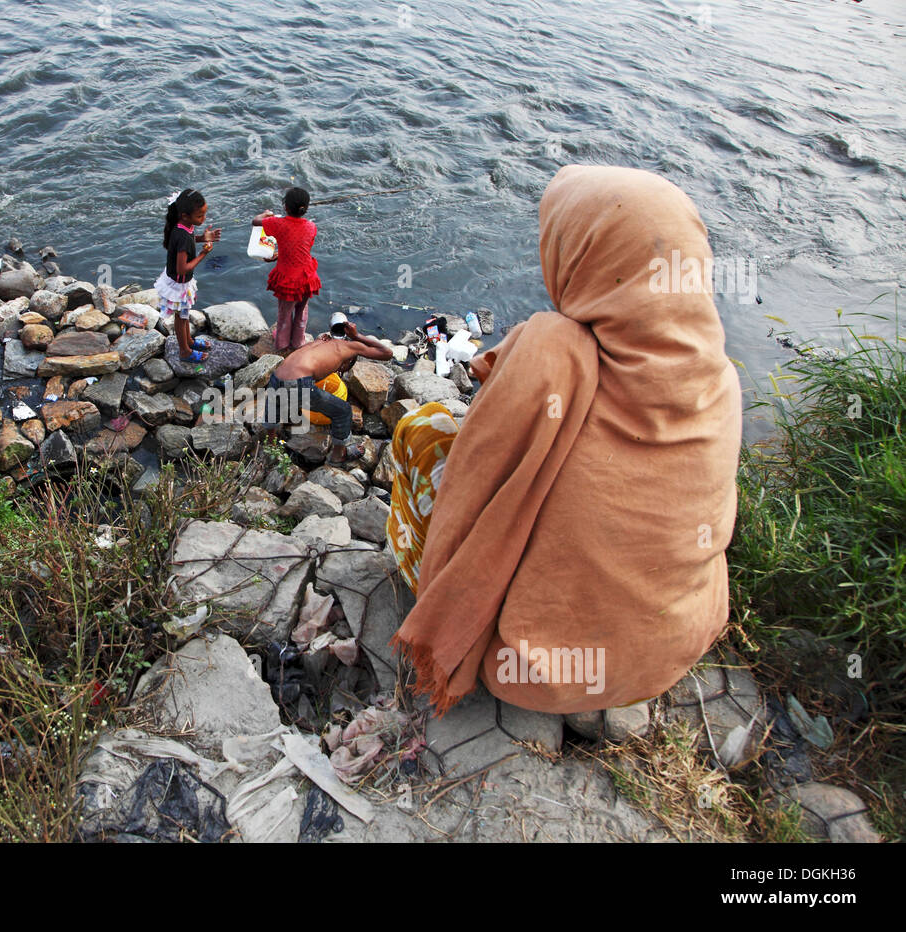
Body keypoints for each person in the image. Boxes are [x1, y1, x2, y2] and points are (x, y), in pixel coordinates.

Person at [387, 165, 743, 716]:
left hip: (526, 666)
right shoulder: (720, 379)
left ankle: (447, 616)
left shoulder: (553, 350)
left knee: (424, 428)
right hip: (668, 650)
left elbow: (479, 474)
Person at [262, 321, 392, 464]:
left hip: (276, 376)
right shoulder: (351, 347)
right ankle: (338, 456)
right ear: (348, 361)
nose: (340, 371)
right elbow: (387, 353)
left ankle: (270, 444)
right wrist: (357, 336)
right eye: (344, 368)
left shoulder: (320, 341)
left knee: (275, 404)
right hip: (298, 384)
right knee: (343, 410)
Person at [155, 189, 221, 363]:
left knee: (184, 315)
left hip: (180, 282)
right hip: (178, 284)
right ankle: (184, 351)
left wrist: (203, 237)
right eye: (200, 216)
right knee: (181, 317)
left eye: (204, 214)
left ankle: (189, 341)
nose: (203, 219)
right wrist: (203, 254)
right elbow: (183, 268)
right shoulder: (182, 234)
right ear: (185, 215)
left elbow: (189, 239)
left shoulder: (184, 226)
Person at [252, 186, 321, 352]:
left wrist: (266, 214)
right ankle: (298, 342)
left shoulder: (277, 223)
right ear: (305, 209)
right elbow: (300, 247)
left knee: (284, 313)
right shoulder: (311, 226)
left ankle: (282, 344)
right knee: (302, 310)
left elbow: (255, 222)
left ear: (285, 207)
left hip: (288, 279)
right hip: (307, 278)